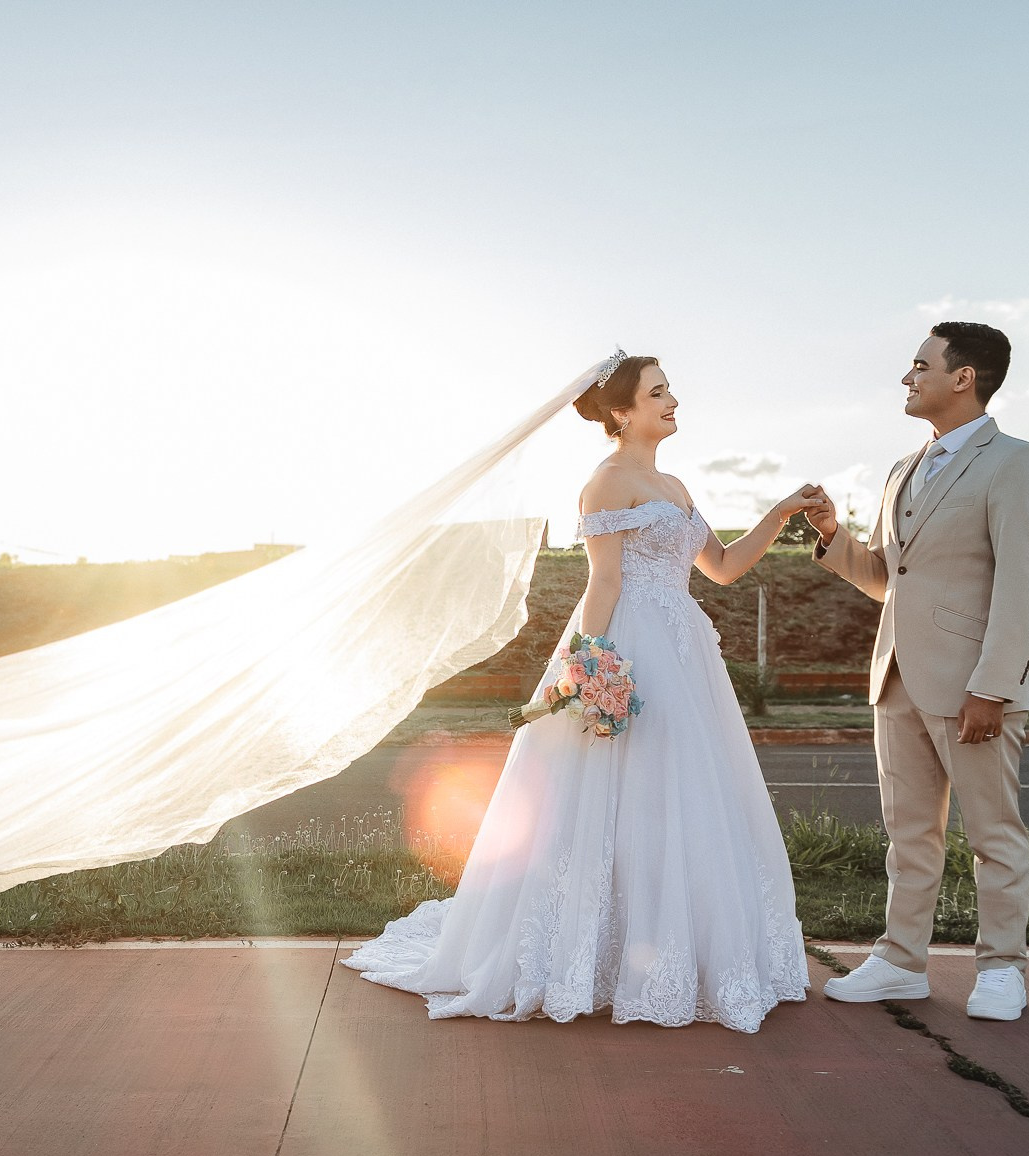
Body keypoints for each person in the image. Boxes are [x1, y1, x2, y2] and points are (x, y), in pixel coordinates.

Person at [344, 350, 819, 1032]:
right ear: (622, 411)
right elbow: (604, 582)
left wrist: (779, 513)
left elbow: (719, 567)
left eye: (670, 389)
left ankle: (670, 951)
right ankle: (595, 955)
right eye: (659, 392)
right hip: (630, 646)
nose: (672, 399)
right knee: (613, 800)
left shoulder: (676, 483)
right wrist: (590, 669)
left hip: (687, 654)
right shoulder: (606, 483)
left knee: (682, 797)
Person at [802, 322, 1029, 1021]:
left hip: (976, 686)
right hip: (897, 678)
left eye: (920, 365)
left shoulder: (1018, 462)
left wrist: (993, 686)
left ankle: (1002, 968)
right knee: (909, 831)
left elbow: (1022, 586)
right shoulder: (900, 470)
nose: (907, 378)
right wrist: (833, 536)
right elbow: (888, 578)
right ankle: (899, 961)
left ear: (964, 377)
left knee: (994, 834)